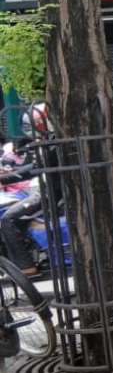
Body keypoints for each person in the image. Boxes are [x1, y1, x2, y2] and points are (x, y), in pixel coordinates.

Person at [1, 103, 60, 277]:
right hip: (40, 188)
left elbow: (32, 170)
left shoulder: (53, 143)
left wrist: (5, 177)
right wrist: (6, 176)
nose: (32, 129)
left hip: (49, 193)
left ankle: (26, 267)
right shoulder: (47, 141)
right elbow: (32, 169)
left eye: (34, 124)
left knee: (8, 219)